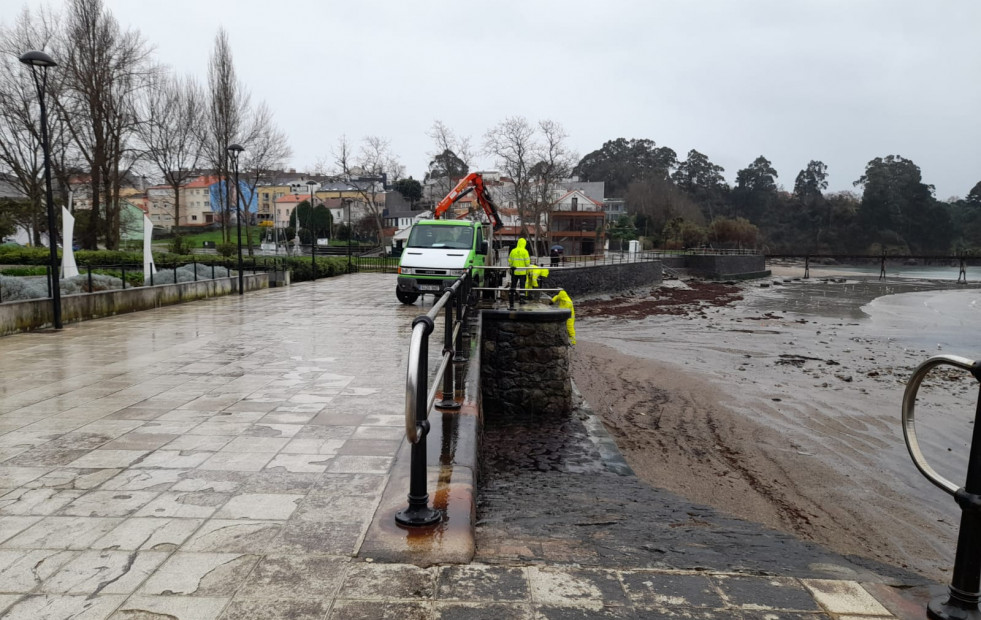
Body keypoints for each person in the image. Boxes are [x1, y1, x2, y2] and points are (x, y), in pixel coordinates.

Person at [508, 238, 531, 304]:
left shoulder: (513, 251)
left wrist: (512, 267)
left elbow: (510, 261)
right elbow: (527, 263)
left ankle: (511, 297)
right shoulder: (525, 251)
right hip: (522, 272)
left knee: (513, 285)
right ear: (524, 244)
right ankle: (521, 299)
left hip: (514, 271)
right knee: (522, 286)